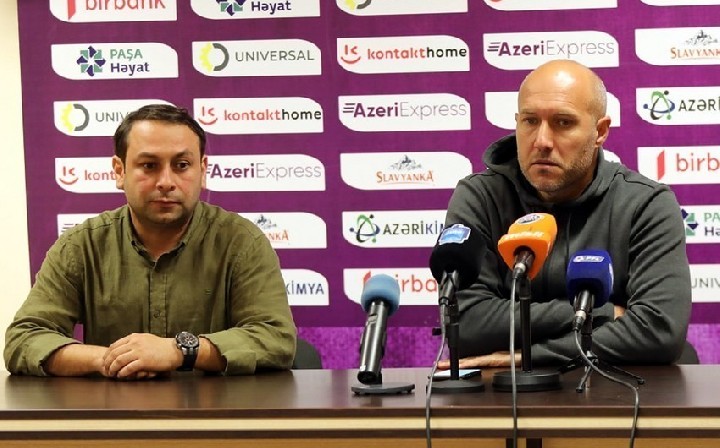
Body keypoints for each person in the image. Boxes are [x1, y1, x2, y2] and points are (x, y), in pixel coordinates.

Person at [4, 104, 297, 378]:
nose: (166, 181)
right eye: (149, 165)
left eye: (182, 165)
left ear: (203, 170)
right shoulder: (82, 246)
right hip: (114, 411)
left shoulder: (242, 242)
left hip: (218, 412)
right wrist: (114, 359)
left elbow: (276, 338)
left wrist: (179, 351)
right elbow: (24, 339)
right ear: (119, 171)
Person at [441, 59, 691, 368]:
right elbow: (466, 324)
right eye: (530, 121)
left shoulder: (646, 203)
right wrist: (602, 314)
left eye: (563, 122)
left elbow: (659, 331)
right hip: (503, 393)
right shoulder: (480, 197)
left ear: (600, 132)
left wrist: (528, 358)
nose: (542, 141)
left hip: (616, 389)